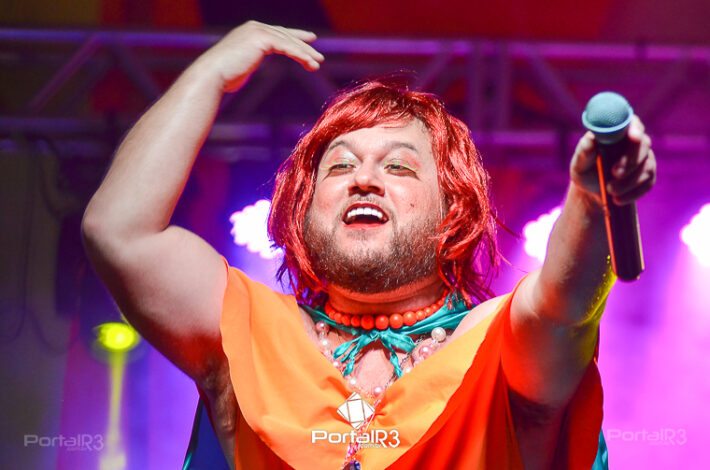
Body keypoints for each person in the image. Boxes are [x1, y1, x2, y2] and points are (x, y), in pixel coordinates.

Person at [81, 21, 656, 470]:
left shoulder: (497, 344)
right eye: (339, 166)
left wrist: (591, 199)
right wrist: (209, 74)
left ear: (452, 208)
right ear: (304, 208)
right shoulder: (248, 332)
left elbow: (563, 306)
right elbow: (121, 232)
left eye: (399, 166)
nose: (363, 178)